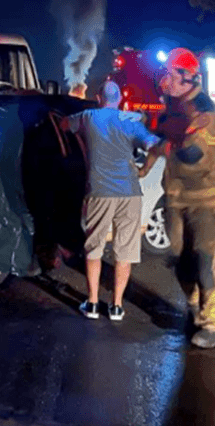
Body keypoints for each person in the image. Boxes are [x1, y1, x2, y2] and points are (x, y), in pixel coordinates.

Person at [141, 47, 215, 349]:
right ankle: (197, 308)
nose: (165, 81)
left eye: (170, 75)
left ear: (188, 78)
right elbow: (160, 142)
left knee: (205, 258)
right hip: (176, 199)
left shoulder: (207, 112)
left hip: (205, 200)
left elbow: (197, 157)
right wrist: (145, 166)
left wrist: (177, 138)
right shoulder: (173, 109)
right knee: (181, 260)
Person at [63, 80, 161, 320]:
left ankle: (93, 303)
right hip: (129, 192)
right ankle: (117, 306)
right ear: (120, 100)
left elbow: (64, 125)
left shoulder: (88, 116)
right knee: (124, 252)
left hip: (99, 191)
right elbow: (154, 145)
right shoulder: (131, 121)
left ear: (98, 98)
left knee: (94, 248)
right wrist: (145, 169)